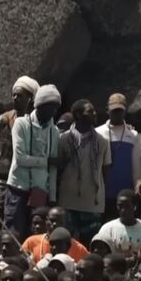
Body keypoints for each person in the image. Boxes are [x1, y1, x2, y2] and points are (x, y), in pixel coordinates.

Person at [6, 85, 61, 239]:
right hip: (18, 189)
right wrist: (47, 161)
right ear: (39, 105)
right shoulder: (21, 124)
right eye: (50, 107)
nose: (53, 112)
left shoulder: (55, 131)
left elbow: (54, 168)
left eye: (55, 108)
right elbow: (20, 158)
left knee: (37, 236)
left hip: (40, 192)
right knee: (14, 234)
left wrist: (52, 198)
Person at [57, 99, 111, 243]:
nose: (95, 113)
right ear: (78, 115)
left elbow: (105, 170)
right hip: (68, 201)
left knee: (90, 243)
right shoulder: (64, 139)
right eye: (90, 111)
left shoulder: (102, 141)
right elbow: (58, 168)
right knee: (66, 243)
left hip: (92, 203)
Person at [0, 76, 38, 217]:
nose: (15, 98)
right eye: (14, 95)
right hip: (3, 179)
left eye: (19, 96)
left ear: (30, 99)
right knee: (0, 217)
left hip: (24, 182)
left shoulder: (35, 125)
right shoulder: (3, 120)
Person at [95, 94, 141, 219]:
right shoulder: (97, 133)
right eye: (114, 110)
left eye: (120, 110)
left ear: (125, 111)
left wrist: (137, 184)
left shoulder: (133, 135)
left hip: (126, 196)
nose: (117, 114)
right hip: (103, 195)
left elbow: (136, 168)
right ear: (107, 110)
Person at [93, 190, 141, 256]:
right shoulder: (107, 229)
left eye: (127, 206)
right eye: (120, 206)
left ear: (135, 206)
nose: (123, 210)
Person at [21, 224, 88, 265]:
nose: (54, 247)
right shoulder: (42, 265)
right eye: (52, 244)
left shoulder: (73, 267)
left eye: (59, 244)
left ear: (68, 247)